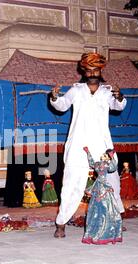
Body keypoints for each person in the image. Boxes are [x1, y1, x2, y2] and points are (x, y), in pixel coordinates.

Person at [50, 52, 127, 238]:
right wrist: (54, 97)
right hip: (79, 144)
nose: (93, 73)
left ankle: (117, 218)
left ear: (101, 70)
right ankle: (61, 224)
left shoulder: (107, 91)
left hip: (102, 144)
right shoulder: (76, 90)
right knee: (72, 183)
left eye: (96, 69)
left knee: (112, 181)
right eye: (89, 69)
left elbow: (118, 107)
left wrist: (120, 97)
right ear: (84, 71)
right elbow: (62, 105)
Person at [82, 147, 123, 244]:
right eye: (105, 155)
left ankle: (105, 233)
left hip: (103, 186)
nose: (104, 157)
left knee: (106, 210)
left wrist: (112, 157)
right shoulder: (99, 164)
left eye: (106, 156)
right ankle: (96, 233)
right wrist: (88, 152)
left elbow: (113, 167)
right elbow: (92, 163)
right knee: (97, 210)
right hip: (99, 186)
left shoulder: (106, 164)